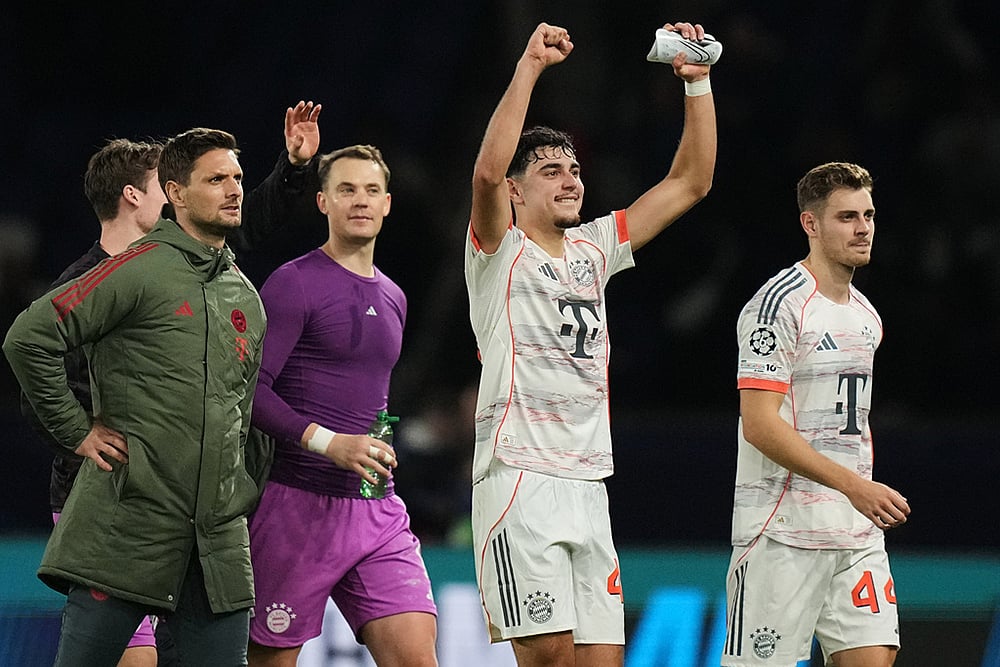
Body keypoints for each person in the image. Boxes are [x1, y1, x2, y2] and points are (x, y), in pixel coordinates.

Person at [465, 20, 717, 666]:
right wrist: (529, 67)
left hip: (587, 481)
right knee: (547, 651)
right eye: (551, 170)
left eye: (574, 169)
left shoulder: (595, 248)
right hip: (519, 472)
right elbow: (488, 174)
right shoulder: (500, 252)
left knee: (601, 659)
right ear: (519, 192)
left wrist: (697, 84)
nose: (571, 179)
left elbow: (691, 182)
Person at [3, 127, 267, 666]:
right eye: (216, 179)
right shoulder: (135, 269)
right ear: (176, 193)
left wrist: (237, 489)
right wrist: (77, 431)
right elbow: (28, 338)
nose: (234, 189)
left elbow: (241, 412)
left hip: (215, 544)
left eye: (237, 177)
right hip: (127, 529)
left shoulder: (245, 295)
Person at [247, 145, 438, 666]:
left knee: (418, 659)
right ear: (322, 202)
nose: (361, 201)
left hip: (377, 509)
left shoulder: (395, 296)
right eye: (347, 189)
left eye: (371, 190)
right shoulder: (293, 283)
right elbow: (251, 393)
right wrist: (329, 443)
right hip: (296, 509)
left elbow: (369, 397)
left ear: (388, 204)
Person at [723, 162, 910, 667]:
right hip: (780, 532)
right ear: (811, 224)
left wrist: (856, 493)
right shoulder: (776, 307)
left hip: (854, 534)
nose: (864, 228)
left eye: (868, 215)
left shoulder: (865, 314)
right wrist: (853, 485)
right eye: (847, 217)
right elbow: (759, 424)